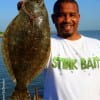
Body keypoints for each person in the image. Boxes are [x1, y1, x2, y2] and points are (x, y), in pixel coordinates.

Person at [43, 0, 100, 100]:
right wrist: (27, 13)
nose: (67, 20)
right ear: (53, 18)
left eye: (72, 15)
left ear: (78, 17)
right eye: (61, 15)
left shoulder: (97, 45)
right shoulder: (47, 45)